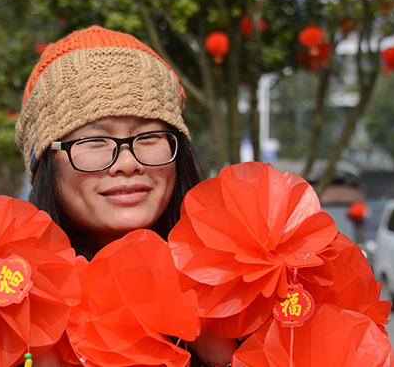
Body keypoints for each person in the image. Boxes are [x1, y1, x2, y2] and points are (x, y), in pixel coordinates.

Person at [15, 25, 237, 366]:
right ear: (45, 161)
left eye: (148, 137)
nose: (128, 163)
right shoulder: (6, 307)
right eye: (94, 141)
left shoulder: (241, 287)